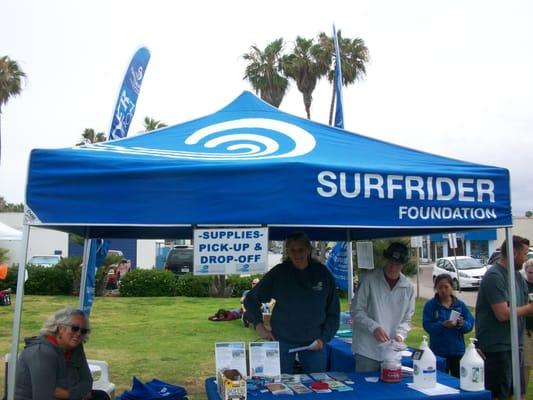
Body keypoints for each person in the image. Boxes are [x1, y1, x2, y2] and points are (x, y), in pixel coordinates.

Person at [244, 231, 340, 374]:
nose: (297, 254)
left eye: (300, 249)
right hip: (282, 341)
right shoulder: (279, 273)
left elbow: (333, 313)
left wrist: (323, 339)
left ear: (308, 250)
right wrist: (259, 325)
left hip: (314, 342)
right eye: (292, 250)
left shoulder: (322, 274)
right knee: (279, 387)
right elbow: (251, 299)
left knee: (318, 386)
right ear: (287, 252)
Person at [475, 235, 533, 400]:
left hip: (515, 345)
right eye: (524, 254)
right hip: (497, 347)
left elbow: (524, 304)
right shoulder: (494, 276)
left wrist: (529, 308)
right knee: (498, 394)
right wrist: (529, 308)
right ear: (514, 253)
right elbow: (502, 314)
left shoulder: (517, 277)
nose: (525, 258)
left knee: (515, 393)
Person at [15, 306, 109, 400]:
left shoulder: (76, 348)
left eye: (83, 331)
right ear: (60, 328)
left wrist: (68, 394)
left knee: (102, 396)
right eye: (75, 328)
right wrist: (76, 394)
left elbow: (87, 382)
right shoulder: (42, 352)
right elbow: (44, 396)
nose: (79, 334)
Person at [351, 242, 415, 372]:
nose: (392, 267)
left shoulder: (408, 287)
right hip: (367, 349)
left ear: (403, 265)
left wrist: (400, 335)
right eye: (390, 262)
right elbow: (356, 310)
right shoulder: (370, 279)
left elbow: (407, 318)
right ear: (386, 260)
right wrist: (373, 327)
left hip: (392, 352)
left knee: (390, 389)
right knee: (367, 388)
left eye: (397, 264)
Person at [422, 273, 475, 377]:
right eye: (440, 287)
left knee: (458, 381)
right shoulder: (431, 305)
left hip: (457, 351)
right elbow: (427, 325)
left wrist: (461, 324)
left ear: (452, 287)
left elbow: (470, 325)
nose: (443, 290)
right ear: (436, 288)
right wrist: (442, 325)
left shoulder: (460, 305)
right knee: (439, 380)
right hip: (438, 351)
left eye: (446, 287)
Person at [523, 259, 533, 388]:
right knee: (525, 365)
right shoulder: (522, 286)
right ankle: (522, 394)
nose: (532, 275)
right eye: (530, 272)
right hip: (527, 331)